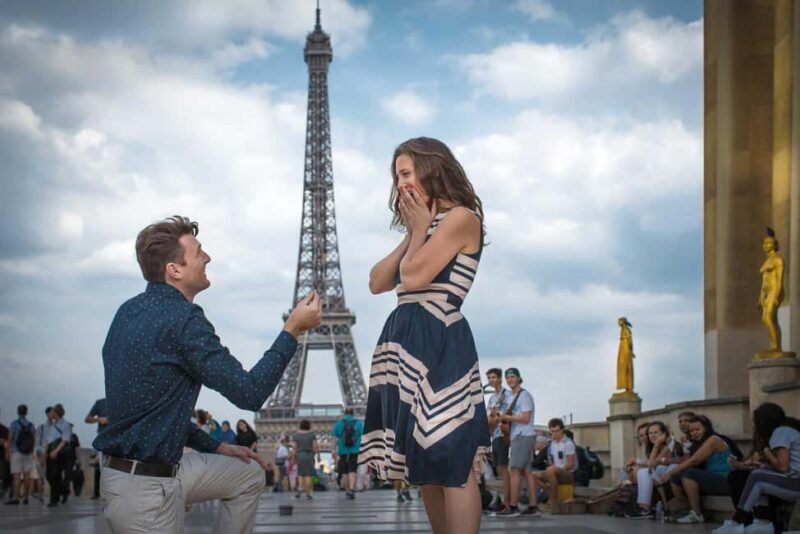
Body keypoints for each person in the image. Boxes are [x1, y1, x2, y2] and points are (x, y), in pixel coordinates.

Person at [93, 215, 321, 533]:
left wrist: (215, 446)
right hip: (146, 489)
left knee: (248, 474)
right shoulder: (184, 320)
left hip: (136, 472)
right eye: (198, 251)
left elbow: (151, 413)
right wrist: (292, 330)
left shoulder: (127, 311)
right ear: (175, 270)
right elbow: (250, 393)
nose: (207, 257)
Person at [359, 137, 489, 534]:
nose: (399, 184)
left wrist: (417, 233)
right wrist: (413, 232)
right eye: (396, 176)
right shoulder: (424, 228)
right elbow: (377, 282)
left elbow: (414, 276)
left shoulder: (461, 218)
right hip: (406, 341)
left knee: (453, 454)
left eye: (405, 173)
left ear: (431, 168)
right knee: (426, 462)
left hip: (439, 338)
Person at [714, 403, 800, 534]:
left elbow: (783, 467)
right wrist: (763, 465)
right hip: (792, 480)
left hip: (795, 484)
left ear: (763, 422)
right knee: (758, 472)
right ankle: (763, 523)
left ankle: (736, 522)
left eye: (754, 422)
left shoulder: (781, 431)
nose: (753, 425)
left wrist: (766, 452)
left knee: (757, 476)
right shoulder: (782, 431)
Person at [667, 415, 731, 524]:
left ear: (706, 428)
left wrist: (667, 474)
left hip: (725, 479)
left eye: (698, 429)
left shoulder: (714, 439)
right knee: (676, 477)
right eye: (692, 431)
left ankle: (697, 514)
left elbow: (694, 460)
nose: (694, 433)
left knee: (688, 473)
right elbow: (687, 460)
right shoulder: (697, 444)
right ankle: (685, 510)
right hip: (710, 479)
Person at [493, 368, 537, 518]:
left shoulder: (524, 396)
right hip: (518, 436)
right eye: (508, 378)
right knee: (527, 471)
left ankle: (513, 507)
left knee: (514, 470)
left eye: (512, 377)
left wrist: (506, 417)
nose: (510, 380)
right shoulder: (512, 397)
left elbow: (525, 418)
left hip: (523, 436)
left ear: (519, 378)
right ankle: (533, 506)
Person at [626, 421, 682, 520]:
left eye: (655, 432)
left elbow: (652, 464)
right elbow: (651, 463)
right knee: (642, 471)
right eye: (650, 433)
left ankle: (645, 509)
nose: (652, 435)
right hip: (663, 474)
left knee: (645, 471)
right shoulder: (655, 446)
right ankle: (644, 508)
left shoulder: (670, 444)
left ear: (664, 433)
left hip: (676, 473)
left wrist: (656, 444)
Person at [530, 418, 578, 514]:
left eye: (557, 431)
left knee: (552, 471)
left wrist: (556, 469)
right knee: (531, 475)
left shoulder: (568, 443)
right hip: (554, 471)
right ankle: (550, 492)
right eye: (552, 432)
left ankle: (552, 501)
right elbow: (551, 460)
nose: (554, 434)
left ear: (562, 430)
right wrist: (551, 468)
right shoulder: (552, 444)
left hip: (568, 473)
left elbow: (570, 463)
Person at [485, 367, 511, 513]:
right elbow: (489, 419)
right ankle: (504, 499)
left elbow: (505, 415)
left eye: (493, 377)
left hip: (503, 435)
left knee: (503, 468)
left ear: (500, 378)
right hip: (494, 435)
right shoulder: (492, 398)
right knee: (499, 469)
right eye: (489, 378)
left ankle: (508, 501)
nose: (491, 380)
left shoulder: (506, 395)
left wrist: (495, 417)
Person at [5, 404, 37, 505]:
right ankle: (26, 497)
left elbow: (10, 439)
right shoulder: (31, 425)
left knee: (17, 476)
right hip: (28, 453)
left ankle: (15, 498)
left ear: (18, 412)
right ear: (26, 412)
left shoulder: (14, 424)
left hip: (17, 451)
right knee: (27, 475)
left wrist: (7, 452)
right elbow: (34, 439)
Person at [331, 407, 364, 499]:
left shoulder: (339, 423)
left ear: (344, 413)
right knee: (352, 470)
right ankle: (352, 489)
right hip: (355, 450)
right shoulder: (358, 423)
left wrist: (333, 450)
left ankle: (347, 490)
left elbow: (334, 438)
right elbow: (364, 437)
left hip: (342, 450)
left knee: (345, 471)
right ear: (353, 413)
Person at [45, 404, 71, 507]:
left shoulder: (65, 425)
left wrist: (56, 451)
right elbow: (48, 440)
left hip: (59, 452)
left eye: (52, 412)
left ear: (56, 413)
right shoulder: (52, 425)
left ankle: (54, 499)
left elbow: (65, 440)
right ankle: (64, 491)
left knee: (55, 475)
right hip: (50, 450)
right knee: (49, 475)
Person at [85, 397, 108, 500]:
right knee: (100, 466)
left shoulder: (122, 400)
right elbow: (87, 419)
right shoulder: (99, 403)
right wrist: (99, 419)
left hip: (118, 437)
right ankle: (97, 492)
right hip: (103, 437)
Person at [292, 420, 319, 500]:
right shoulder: (311, 435)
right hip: (309, 455)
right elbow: (315, 447)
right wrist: (316, 455)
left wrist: (293, 456)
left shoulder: (296, 435)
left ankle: (300, 488)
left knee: (300, 474)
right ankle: (308, 492)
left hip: (300, 455)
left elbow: (294, 448)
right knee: (308, 475)